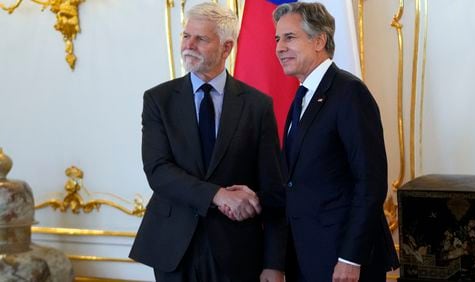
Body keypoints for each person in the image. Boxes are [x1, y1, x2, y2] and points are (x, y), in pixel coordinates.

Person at [129, 3, 286, 282]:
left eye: (201, 38)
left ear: (227, 48)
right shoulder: (158, 100)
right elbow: (158, 171)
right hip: (173, 247)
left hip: (237, 250)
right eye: (186, 35)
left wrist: (274, 263)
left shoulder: (257, 105)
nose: (189, 45)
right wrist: (218, 195)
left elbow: (273, 189)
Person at [273, 2, 400, 282]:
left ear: (319, 40)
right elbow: (295, 180)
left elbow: (370, 183)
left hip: (342, 261)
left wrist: (350, 257)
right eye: (277, 38)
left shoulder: (349, 92)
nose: (279, 47)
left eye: (289, 37)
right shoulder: (302, 96)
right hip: (305, 256)